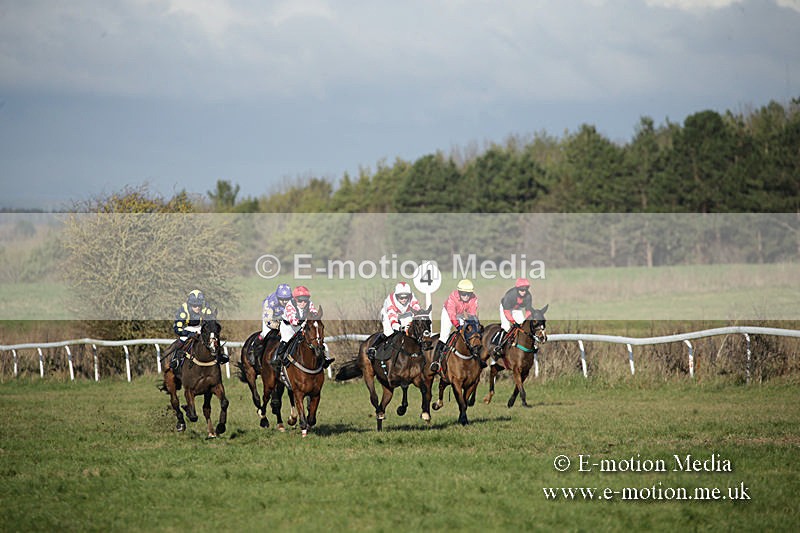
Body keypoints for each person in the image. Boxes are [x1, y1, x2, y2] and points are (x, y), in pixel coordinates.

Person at [271, 286, 334, 371]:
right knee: (286, 340)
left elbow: (313, 312)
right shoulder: (290, 305)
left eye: (305, 299)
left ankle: (323, 359)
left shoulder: (309, 303)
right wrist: (300, 322)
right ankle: (278, 359)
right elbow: (292, 319)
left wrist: (315, 317)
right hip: (288, 326)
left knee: (312, 340)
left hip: (301, 325)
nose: (303, 302)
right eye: (300, 300)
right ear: (295, 299)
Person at [430, 279, 478, 372]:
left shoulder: (473, 298)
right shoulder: (452, 298)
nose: (466, 296)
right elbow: (452, 315)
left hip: (460, 314)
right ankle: (435, 362)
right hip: (448, 313)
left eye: (468, 294)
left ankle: (475, 357)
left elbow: (472, 314)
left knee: (471, 333)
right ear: (459, 292)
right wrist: (458, 326)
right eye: (464, 293)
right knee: (444, 336)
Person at [367, 281, 422, 357]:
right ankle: (373, 348)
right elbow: (393, 319)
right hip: (388, 314)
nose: (404, 299)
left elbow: (417, 311)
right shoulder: (390, 301)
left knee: (410, 331)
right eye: (401, 297)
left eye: (406, 297)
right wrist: (399, 327)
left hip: (405, 314)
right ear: (396, 296)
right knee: (389, 332)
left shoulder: (412, 297)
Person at [166, 289, 215, 370]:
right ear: (190, 304)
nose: (197, 308)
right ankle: (176, 360)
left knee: (212, 338)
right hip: (188, 328)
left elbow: (211, 321)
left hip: (202, 328)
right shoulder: (184, 309)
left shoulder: (206, 307)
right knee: (182, 340)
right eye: (194, 306)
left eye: (199, 305)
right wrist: (188, 333)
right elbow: (177, 327)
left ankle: (219, 356)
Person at [250, 283, 292, 367]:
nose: (284, 302)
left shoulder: (293, 301)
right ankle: (253, 349)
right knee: (264, 334)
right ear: (277, 297)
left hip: (284, 318)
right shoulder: (270, 302)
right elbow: (268, 321)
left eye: (286, 299)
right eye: (281, 299)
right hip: (271, 319)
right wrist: (279, 327)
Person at [494, 278, 535, 354]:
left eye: (525, 290)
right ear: (517, 289)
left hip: (516, 308)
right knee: (506, 327)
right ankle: (499, 345)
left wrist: (526, 321)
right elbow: (506, 312)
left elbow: (528, 311)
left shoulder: (528, 296)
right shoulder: (510, 295)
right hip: (505, 308)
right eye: (521, 290)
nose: (523, 292)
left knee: (523, 327)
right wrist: (513, 321)